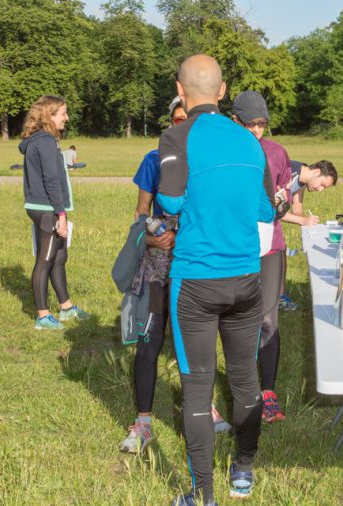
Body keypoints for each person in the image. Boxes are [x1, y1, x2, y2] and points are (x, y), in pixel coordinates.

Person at [158, 55, 274, 505]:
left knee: (197, 387)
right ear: (223, 90)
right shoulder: (250, 142)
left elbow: (168, 201)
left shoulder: (178, 134)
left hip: (197, 282)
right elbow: (267, 210)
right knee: (246, 378)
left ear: (180, 90)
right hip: (247, 279)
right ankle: (243, 470)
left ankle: (202, 495)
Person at [118, 96, 230, 455]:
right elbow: (140, 210)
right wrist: (149, 235)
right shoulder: (154, 159)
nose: (183, 126)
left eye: (188, 119)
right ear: (170, 122)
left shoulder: (209, 159)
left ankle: (204, 410)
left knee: (198, 344)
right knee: (148, 342)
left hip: (196, 263)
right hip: (158, 265)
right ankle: (144, 422)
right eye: (177, 119)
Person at [231, 90, 292, 423]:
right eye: (250, 124)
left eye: (261, 125)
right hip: (234, 246)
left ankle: (268, 393)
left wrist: (281, 204)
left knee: (268, 320)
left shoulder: (277, 153)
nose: (256, 131)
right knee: (239, 319)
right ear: (235, 121)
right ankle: (242, 389)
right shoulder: (226, 150)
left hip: (270, 247)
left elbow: (284, 197)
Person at [19, 95, 89, 330]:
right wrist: (60, 214)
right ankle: (42, 315)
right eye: (63, 113)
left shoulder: (41, 140)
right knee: (45, 260)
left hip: (49, 208)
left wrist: (62, 212)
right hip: (47, 209)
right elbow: (51, 180)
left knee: (60, 258)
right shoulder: (45, 141)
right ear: (50, 115)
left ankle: (66, 307)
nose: (66, 118)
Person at [277, 159, 338, 311]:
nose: (320, 190)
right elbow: (274, 210)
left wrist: (309, 226)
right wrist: (303, 220)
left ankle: (280, 296)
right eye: (322, 184)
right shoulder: (289, 173)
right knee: (276, 252)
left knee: (281, 250)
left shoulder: (303, 180)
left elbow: (297, 207)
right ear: (317, 172)